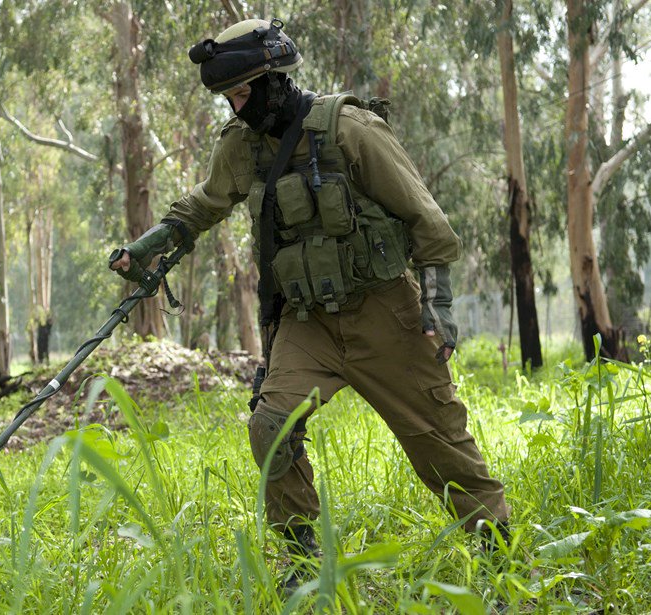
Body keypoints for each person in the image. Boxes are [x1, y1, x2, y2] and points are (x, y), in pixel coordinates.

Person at [108, 18, 509, 590]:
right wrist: (150, 245)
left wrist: (438, 306)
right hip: (305, 322)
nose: (236, 108)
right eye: (227, 98)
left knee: (438, 442)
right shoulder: (241, 148)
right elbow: (205, 202)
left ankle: (497, 552)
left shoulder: (350, 129)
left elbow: (428, 220)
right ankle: (301, 571)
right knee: (270, 426)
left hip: (384, 313)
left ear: (274, 81)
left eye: (242, 94)